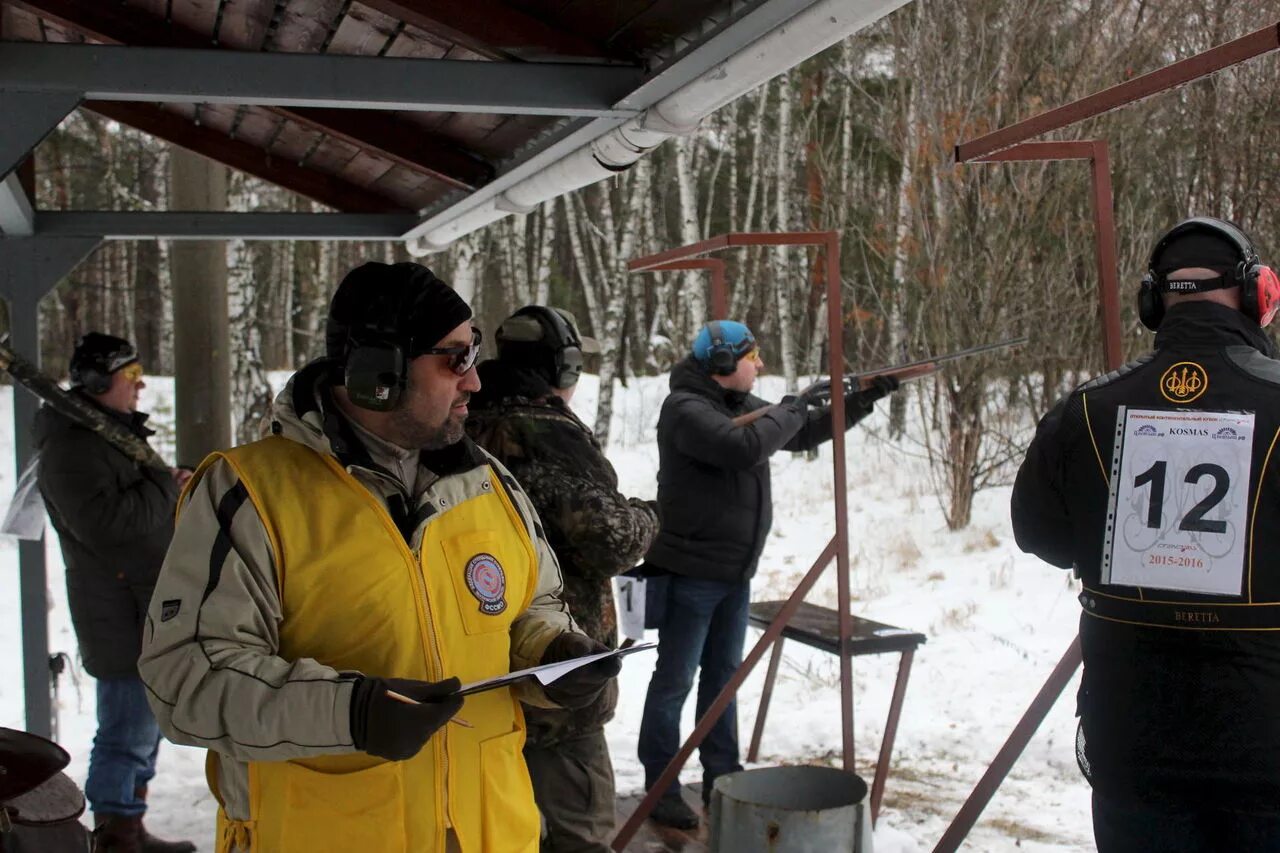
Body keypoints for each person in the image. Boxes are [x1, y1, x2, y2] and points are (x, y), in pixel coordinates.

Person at [137, 262, 620, 853]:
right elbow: (186, 679)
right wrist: (350, 713)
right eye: (456, 359)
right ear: (379, 373)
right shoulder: (250, 493)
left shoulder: (491, 483)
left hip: (488, 833)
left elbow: (532, 608)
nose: (475, 382)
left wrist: (556, 655)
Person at [1011, 217, 1280, 851]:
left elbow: (1039, 534)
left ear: (1154, 302)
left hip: (1130, 734)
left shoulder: (1086, 408)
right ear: (1255, 295)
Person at [637, 320, 898, 828]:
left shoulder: (732, 407)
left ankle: (722, 779)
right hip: (691, 573)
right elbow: (745, 448)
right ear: (721, 365)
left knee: (723, 682)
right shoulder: (686, 409)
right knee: (674, 682)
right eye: (751, 356)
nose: (759, 365)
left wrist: (862, 400)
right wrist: (793, 405)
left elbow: (799, 435)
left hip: (733, 573)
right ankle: (660, 788)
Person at [466, 305, 660, 853]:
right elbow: (612, 537)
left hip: (476, 670)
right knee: (579, 833)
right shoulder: (550, 433)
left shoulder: (459, 420)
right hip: (559, 672)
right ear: (562, 368)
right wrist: (649, 516)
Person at [33, 333, 195, 853]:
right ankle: (114, 839)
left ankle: (130, 828)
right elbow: (106, 523)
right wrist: (164, 487)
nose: (139, 384)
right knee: (124, 731)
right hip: (116, 611)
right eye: (130, 375)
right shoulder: (72, 446)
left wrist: (164, 483)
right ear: (100, 382)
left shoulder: (104, 435)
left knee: (141, 730)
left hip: (138, 604)